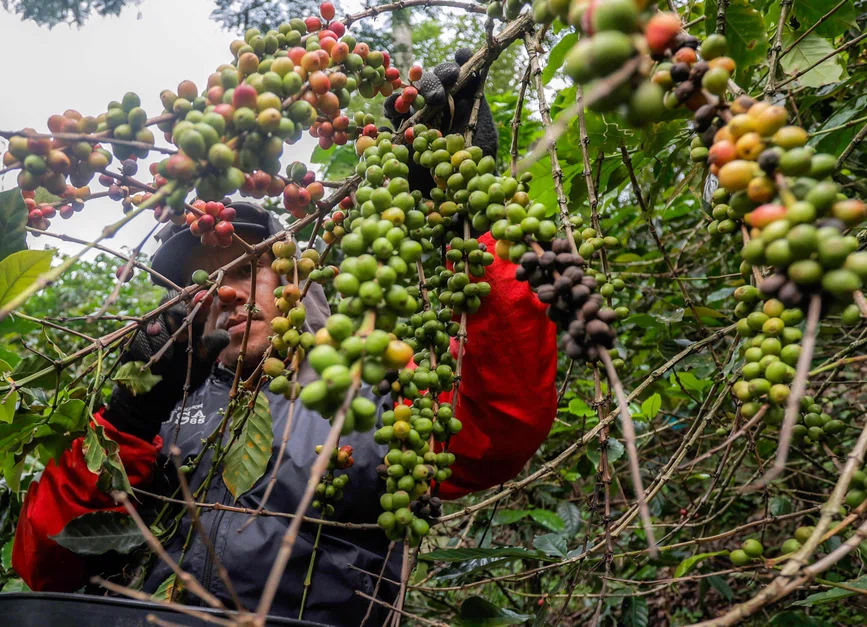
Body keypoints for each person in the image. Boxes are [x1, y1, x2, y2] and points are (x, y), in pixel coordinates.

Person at [12, 51, 558, 626]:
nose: (224, 292)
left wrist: (467, 225)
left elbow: (500, 424)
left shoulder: (366, 389)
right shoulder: (160, 411)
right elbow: (45, 565)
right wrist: (125, 421)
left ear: (296, 278)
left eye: (246, 269)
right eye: (202, 281)